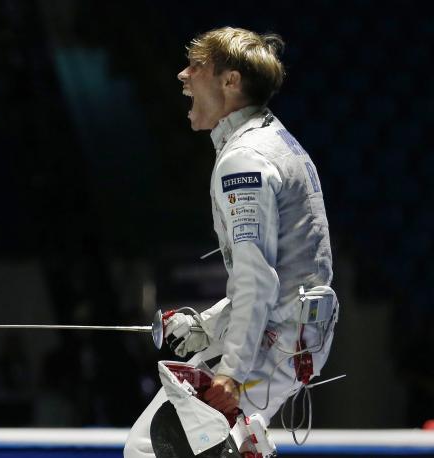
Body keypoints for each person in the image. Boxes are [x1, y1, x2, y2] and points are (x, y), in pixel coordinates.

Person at [124, 27, 338, 457]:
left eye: (196, 66)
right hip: (291, 339)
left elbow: (258, 279)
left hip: (273, 346)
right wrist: (207, 326)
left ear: (231, 81)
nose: (183, 76)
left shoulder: (245, 159)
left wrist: (233, 371)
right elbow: (282, 276)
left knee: (149, 447)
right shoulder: (274, 141)